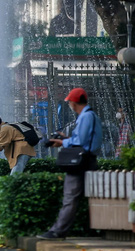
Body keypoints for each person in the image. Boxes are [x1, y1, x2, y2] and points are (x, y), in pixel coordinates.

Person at [38, 88, 103, 240]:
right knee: (82, 197)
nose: (69, 105)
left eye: (69, 102)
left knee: (70, 197)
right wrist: (65, 138)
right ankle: (88, 229)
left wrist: (61, 142)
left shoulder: (87, 116)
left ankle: (57, 231)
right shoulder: (88, 116)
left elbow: (80, 142)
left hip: (81, 161)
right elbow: (84, 139)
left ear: (74, 103)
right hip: (86, 159)